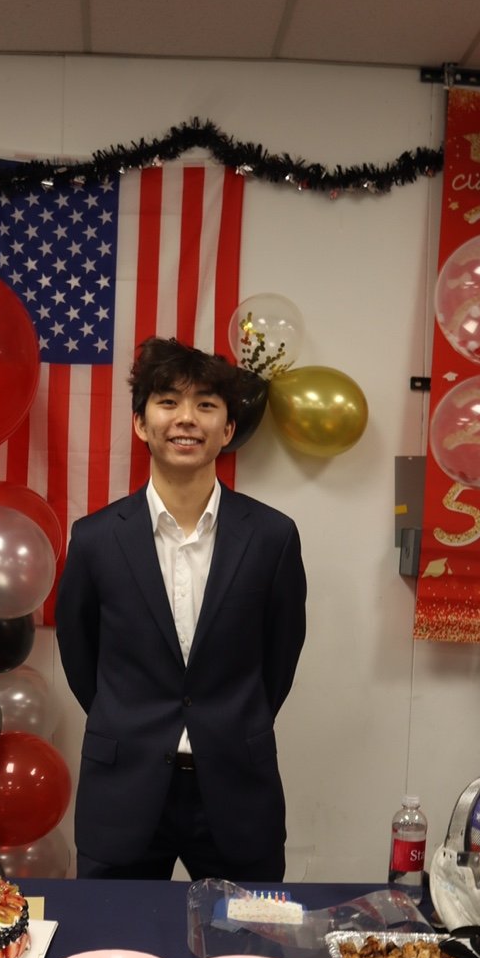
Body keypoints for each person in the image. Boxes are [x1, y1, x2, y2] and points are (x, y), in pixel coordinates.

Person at [55, 336, 306, 881]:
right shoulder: (95, 539)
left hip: (237, 787)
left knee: (245, 952)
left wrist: (229, 722)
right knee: (112, 953)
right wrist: (130, 718)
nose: (186, 419)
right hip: (124, 789)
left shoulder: (271, 537)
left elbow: (279, 657)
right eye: (168, 402)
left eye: (206, 405)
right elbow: (81, 654)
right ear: (142, 423)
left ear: (228, 429)